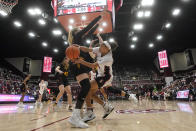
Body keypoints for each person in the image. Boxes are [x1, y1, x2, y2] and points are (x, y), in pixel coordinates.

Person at [74, 34, 138, 122]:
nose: (100, 46)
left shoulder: (108, 58)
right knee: (91, 93)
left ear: (107, 49)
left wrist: (80, 61)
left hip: (105, 77)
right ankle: (106, 107)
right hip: (100, 76)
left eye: (102, 45)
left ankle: (90, 113)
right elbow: (88, 49)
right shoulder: (101, 49)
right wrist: (79, 47)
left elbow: (92, 65)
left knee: (87, 88)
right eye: (101, 45)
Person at [67, 13, 107, 128]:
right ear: (76, 32)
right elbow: (88, 28)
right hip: (76, 64)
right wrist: (99, 17)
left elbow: (89, 31)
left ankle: (78, 115)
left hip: (79, 64)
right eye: (79, 30)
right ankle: (75, 116)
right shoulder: (77, 36)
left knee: (86, 87)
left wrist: (97, 25)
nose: (81, 30)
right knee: (86, 87)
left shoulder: (79, 38)